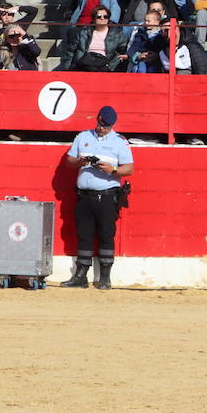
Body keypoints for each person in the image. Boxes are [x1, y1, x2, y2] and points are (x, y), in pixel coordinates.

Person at [60, 105, 133, 290]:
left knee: (106, 235)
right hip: (84, 195)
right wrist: (80, 162)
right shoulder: (83, 136)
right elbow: (68, 162)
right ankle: (81, 276)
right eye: (100, 125)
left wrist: (113, 169)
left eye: (105, 126)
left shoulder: (119, 142)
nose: (101, 129)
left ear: (111, 126)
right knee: (83, 234)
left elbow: (129, 168)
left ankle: (105, 277)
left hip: (107, 196)